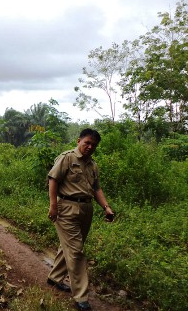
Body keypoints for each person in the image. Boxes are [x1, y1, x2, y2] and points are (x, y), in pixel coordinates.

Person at [46, 128, 114, 311]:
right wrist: (53, 206)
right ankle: (81, 297)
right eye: (87, 143)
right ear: (79, 141)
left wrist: (106, 207)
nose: (90, 147)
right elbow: (53, 179)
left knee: (69, 247)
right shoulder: (67, 158)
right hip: (66, 208)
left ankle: (53, 278)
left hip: (86, 209)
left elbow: (97, 188)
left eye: (94, 145)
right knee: (76, 251)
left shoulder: (93, 165)